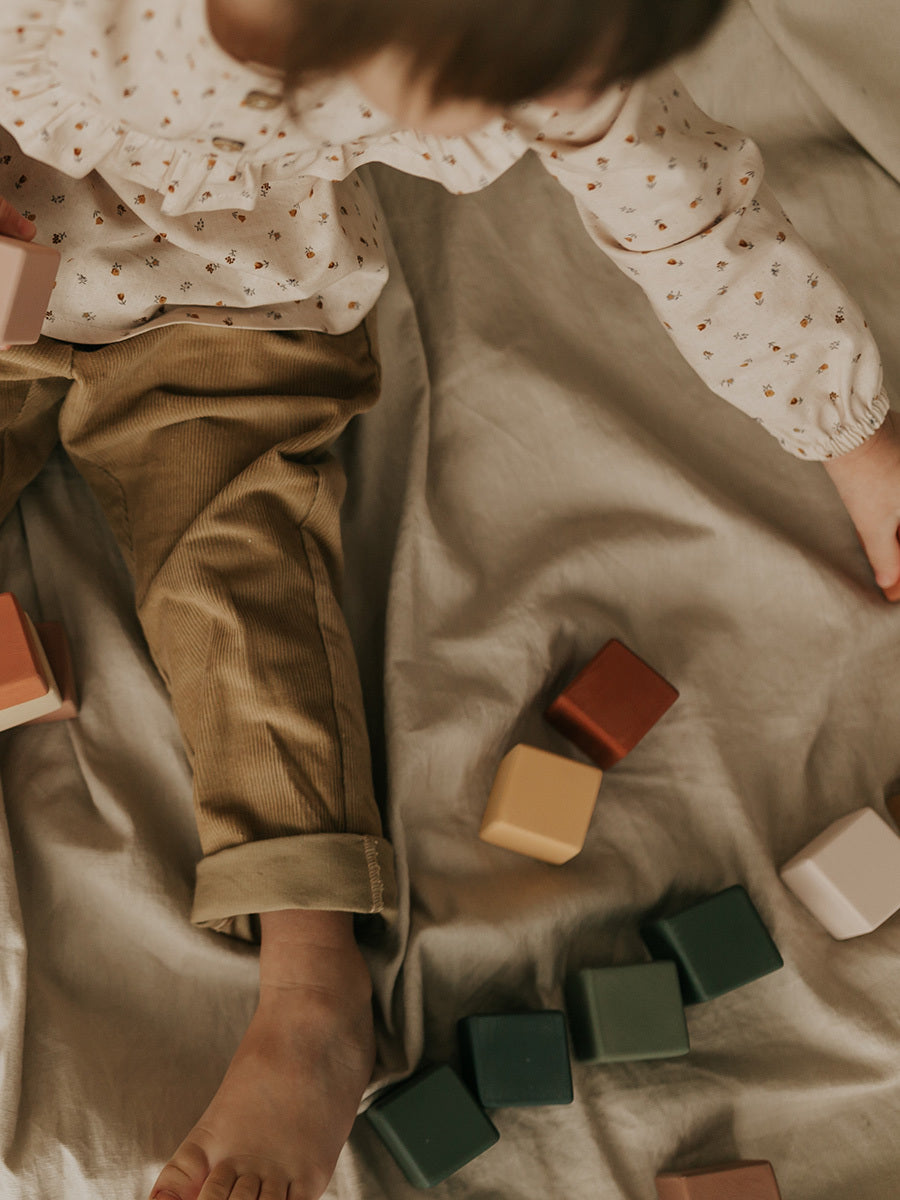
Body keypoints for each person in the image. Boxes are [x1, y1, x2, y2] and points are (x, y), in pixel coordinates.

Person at [1, 1, 899, 1198]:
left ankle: (315, 985)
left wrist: (855, 440)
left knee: (235, 579)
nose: (513, 128)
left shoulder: (553, 56)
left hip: (226, 302)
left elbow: (691, 215)